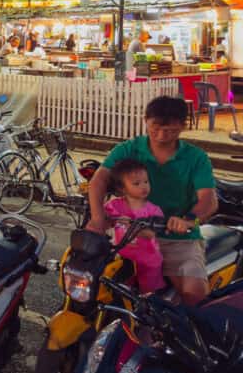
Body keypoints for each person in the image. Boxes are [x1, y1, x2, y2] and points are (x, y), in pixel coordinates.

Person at [87, 96, 217, 305]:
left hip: (177, 238)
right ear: (145, 120)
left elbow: (208, 200)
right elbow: (98, 181)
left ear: (183, 127)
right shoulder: (129, 149)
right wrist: (98, 217)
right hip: (128, 235)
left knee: (194, 294)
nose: (162, 135)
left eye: (171, 130)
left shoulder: (196, 157)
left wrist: (188, 219)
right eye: (155, 127)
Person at [103, 158, 165, 293]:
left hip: (147, 259)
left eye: (146, 182)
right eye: (136, 183)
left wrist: (134, 227)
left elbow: (152, 234)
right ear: (122, 188)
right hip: (123, 257)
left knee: (147, 294)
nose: (144, 186)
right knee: (119, 290)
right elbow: (104, 221)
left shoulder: (153, 210)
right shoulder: (114, 205)